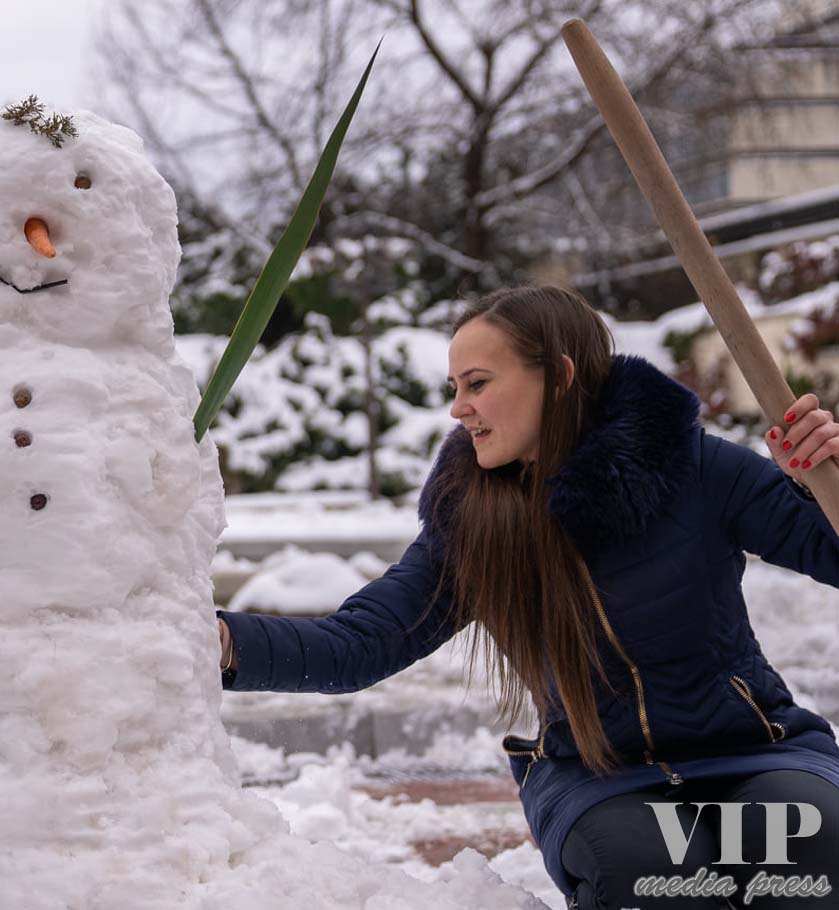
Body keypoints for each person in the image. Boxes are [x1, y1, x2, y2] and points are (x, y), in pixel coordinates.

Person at [216, 286, 839, 909]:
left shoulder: (694, 466)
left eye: (478, 383)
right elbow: (360, 644)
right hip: (602, 778)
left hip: (758, 750)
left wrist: (821, 481)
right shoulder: (472, 522)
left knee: (809, 857)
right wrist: (218, 642)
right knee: (654, 883)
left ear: (560, 377)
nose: (459, 409)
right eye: (454, 388)